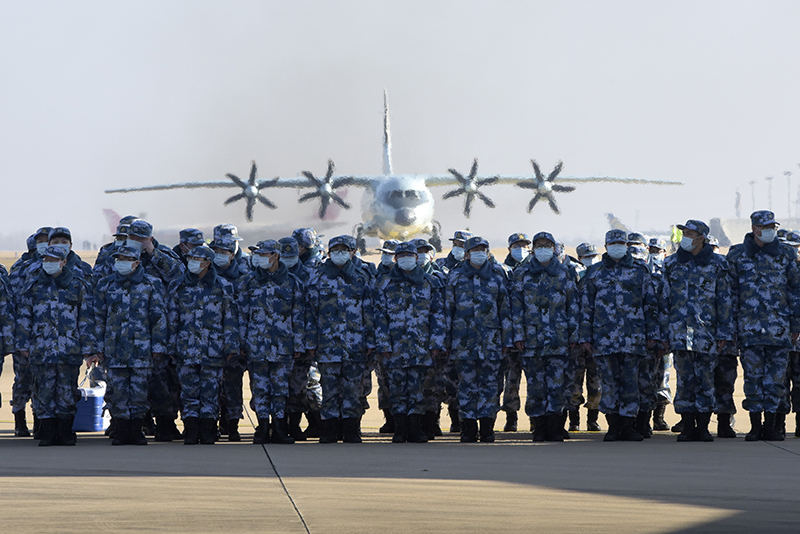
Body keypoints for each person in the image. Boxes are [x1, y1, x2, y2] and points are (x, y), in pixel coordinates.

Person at [579, 229, 661, 442]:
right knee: (609, 384)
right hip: (604, 339)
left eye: (621, 242)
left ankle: (628, 425)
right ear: (605, 246)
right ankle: (613, 426)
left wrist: (652, 333)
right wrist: (585, 337)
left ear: (626, 245)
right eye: (613, 243)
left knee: (630, 383)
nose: (617, 246)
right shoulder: (595, 273)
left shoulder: (639, 271)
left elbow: (650, 305)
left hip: (633, 339)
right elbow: (586, 308)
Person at [727, 210, 800, 441]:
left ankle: (771, 425)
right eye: (765, 226)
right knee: (752, 378)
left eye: (772, 226)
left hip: (779, 328)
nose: (769, 230)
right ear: (754, 228)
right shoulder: (737, 255)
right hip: (749, 329)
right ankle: (755, 425)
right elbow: (730, 294)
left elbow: (795, 291)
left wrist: (796, 323)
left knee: (776, 380)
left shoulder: (786, 254)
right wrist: (731, 327)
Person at [16, 244, 97, 446]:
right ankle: (48, 433)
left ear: (64, 262)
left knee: (67, 392)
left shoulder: (78, 286)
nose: (49, 264)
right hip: (41, 350)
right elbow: (24, 317)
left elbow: (85, 319)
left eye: (54, 260)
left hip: (68, 350)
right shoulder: (33, 286)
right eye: (46, 260)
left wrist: (89, 350)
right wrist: (23, 344)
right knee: (43, 392)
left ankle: (65, 432)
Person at [662, 220, 734, 442]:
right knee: (684, 381)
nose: (685, 236)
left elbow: (724, 301)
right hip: (680, 332)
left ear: (701, 237)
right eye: (683, 232)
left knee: (705, 380)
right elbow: (664, 301)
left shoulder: (718, 265)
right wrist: (664, 332)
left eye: (689, 233)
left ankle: (703, 426)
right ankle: (687, 425)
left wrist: (724, 332)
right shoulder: (671, 264)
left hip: (707, 333)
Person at [91, 245, 168, 445]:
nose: (121, 262)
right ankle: (122, 429)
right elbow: (98, 318)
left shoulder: (152, 284)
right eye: (119, 258)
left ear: (136, 262)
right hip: (114, 350)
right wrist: (96, 348)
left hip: (141, 350)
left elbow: (158, 318)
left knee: (139, 391)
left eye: (126, 258)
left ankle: (136, 430)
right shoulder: (105, 285)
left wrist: (158, 346)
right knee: (117, 392)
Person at [374, 242, 446, 443]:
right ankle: (399, 429)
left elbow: (437, 315)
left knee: (417, 389)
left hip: (420, 346)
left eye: (410, 254)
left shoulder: (430, 283)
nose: (406, 258)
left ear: (416, 258)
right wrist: (384, 344)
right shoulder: (384, 284)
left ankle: (415, 428)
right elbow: (379, 317)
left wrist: (435, 343)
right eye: (402, 255)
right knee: (396, 389)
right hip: (394, 347)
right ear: (395, 259)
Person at [305, 235, 374, 443]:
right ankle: (329, 430)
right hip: (327, 345)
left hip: (355, 345)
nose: (339, 254)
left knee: (353, 389)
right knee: (329, 389)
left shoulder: (362, 278)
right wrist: (310, 342)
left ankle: (351, 429)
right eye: (335, 250)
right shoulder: (318, 278)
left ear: (353, 252)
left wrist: (371, 341)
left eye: (344, 250)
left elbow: (370, 312)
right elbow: (310, 313)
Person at [168, 245, 239, 445]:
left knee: (211, 392)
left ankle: (208, 430)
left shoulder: (222, 286)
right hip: (186, 348)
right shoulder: (178, 286)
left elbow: (230, 319)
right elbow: (172, 319)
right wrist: (171, 347)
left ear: (208, 262)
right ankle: (191, 430)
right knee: (189, 392)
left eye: (196, 259)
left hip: (213, 349)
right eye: (190, 258)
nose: (192, 262)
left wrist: (231, 346)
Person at [511, 232, 579, 441]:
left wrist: (573, 335)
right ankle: (539, 426)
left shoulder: (565, 273)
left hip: (559, 340)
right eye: (539, 245)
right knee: (535, 386)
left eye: (547, 245)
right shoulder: (522, 273)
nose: (543, 249)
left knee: (558, 385)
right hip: (531, 341)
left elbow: (573, 306)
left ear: (554, 248)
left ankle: (556, 425)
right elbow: (516, 308)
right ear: (533, 248)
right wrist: (518, 335)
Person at [445, 236, 513, 443]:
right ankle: (468, 428)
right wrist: (446, 342)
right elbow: (447, 311)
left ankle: (487, 427)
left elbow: (505, 311)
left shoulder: (497, 276)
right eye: (475, 250)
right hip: (462, 343)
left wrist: (507, 340)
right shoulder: (455, 277)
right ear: (466, 254)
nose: (479, 253)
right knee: (466, 386)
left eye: (483, 249)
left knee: (490, 385)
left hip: (491, 342)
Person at [238, 240, 305, 444]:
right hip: (256, 345)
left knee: (280, 389)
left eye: (263, 254)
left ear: (275, 255)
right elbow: (241, 315)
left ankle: (278, 428)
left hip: (283, 345)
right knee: (260, 389)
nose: (258, 258)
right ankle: (262, 427)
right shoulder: (248, 282)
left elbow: (299, 315)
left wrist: (299, 344)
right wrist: (241, 343)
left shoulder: (292, 283)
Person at [212, 237, 249, 441]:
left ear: (232, 254)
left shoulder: (244, 278)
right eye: (215, 251)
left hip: (235, 342)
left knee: (233, 386)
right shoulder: (208, 277)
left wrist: (239, 343)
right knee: (212, 389)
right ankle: (212, 424)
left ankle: (233, 425)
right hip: (210, 343)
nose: (219, 255)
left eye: (223, 251)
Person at [567, 243, 602, 432]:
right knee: (574, 384)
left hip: (596, 341)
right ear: (579, 258)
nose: (591, 259)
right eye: (586, 256)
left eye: (593, 255)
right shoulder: (573, 277)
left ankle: (592, 420)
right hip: (576, 341)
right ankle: (574, 420)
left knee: (596, 385)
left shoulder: (600, 277)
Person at [499, 233, 532, 432]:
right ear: (510, 248)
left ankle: (536, 419)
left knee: (535, 381)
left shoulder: (533, 270)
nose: (521, 249)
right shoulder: (502, 271)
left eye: (524, 245)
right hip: (510, 336)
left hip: (531, 335)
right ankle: (511, 417)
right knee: (511, 381)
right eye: (517, 245)